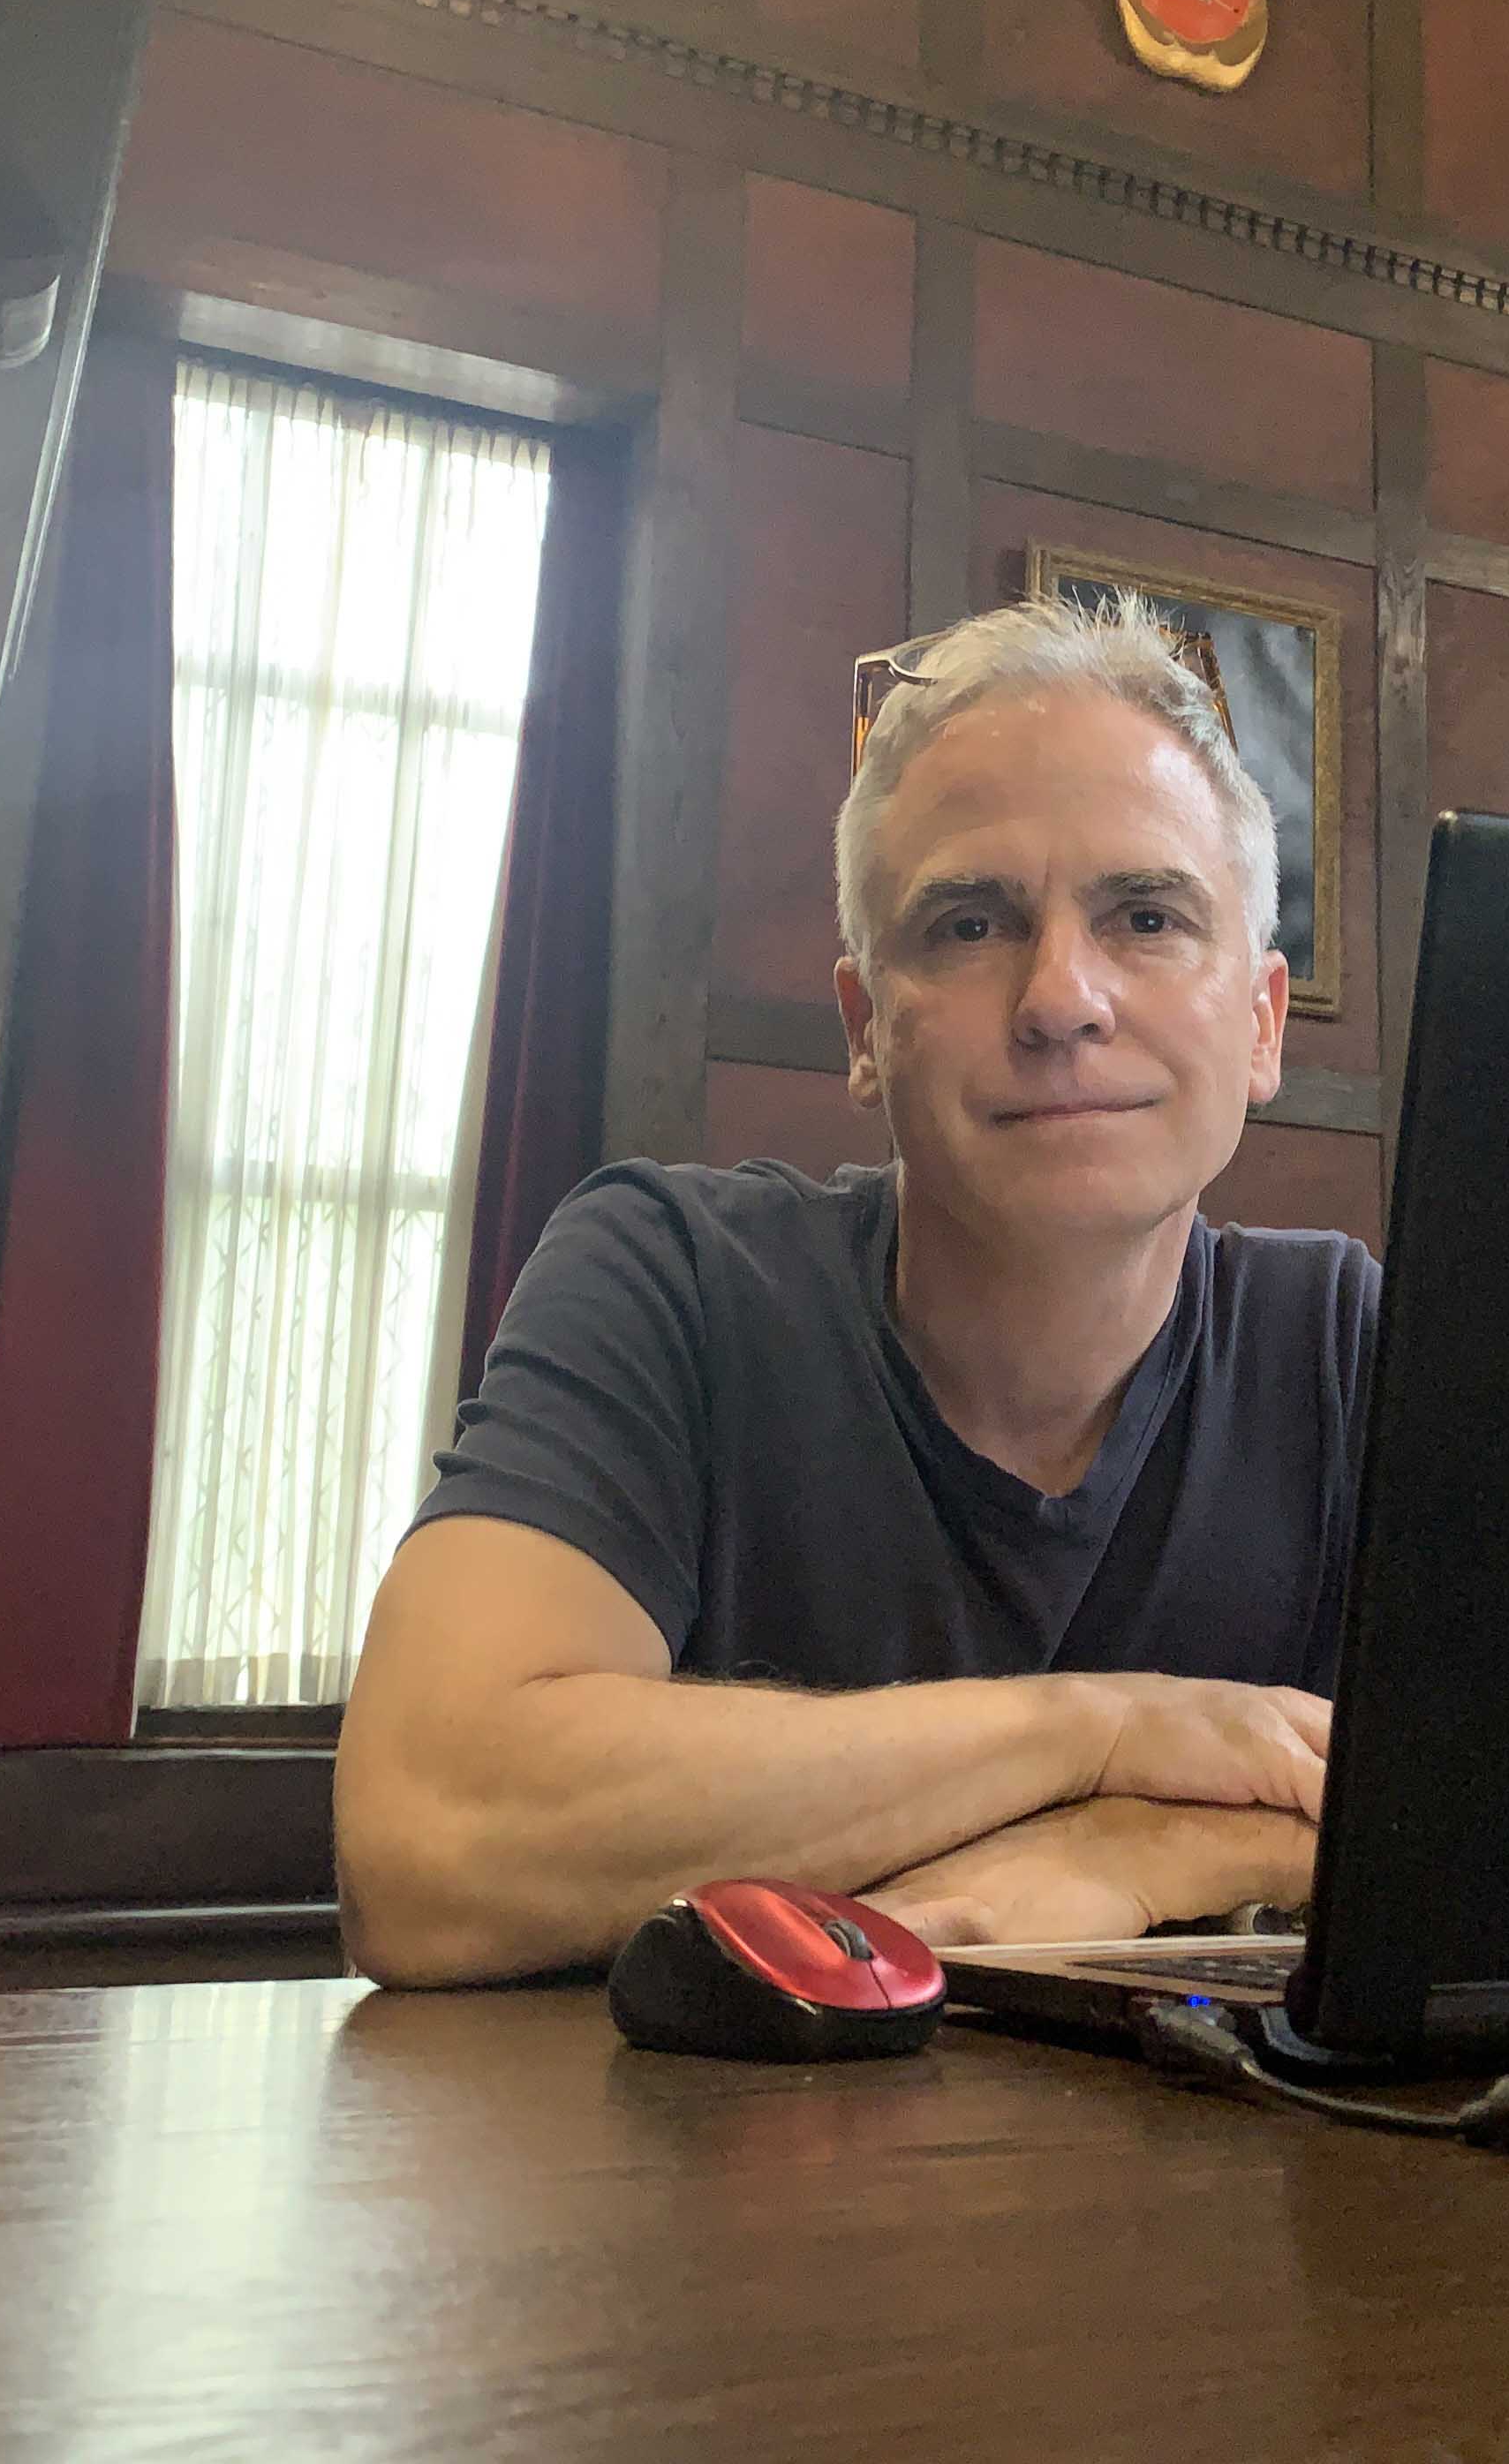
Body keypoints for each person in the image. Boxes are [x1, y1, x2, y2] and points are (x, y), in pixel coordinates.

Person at [336, 599, 1379, 1986]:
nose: (1061, 997)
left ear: (1260, 1023)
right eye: (967, 923)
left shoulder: (1346, 1347)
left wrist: (1137, 1855)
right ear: (863, 1032)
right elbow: (423, 1844)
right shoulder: (671, 1279)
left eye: (1145, 915)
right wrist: (1099, 1736)